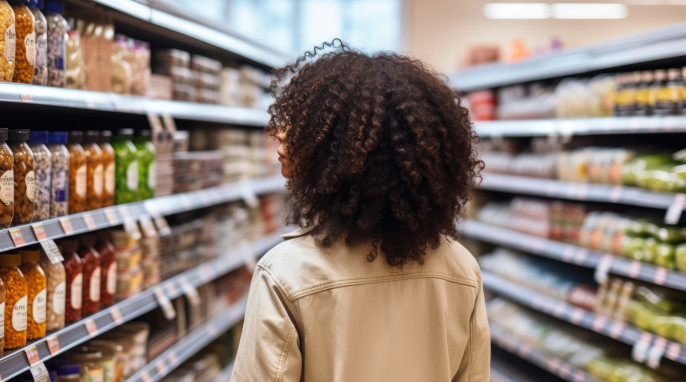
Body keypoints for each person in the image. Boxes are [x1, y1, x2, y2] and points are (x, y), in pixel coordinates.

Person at [231, 40, 489, 382]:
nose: (278, 132)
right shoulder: (461, 268)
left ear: (338, 150)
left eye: (302, 122)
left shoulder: (286, 274)